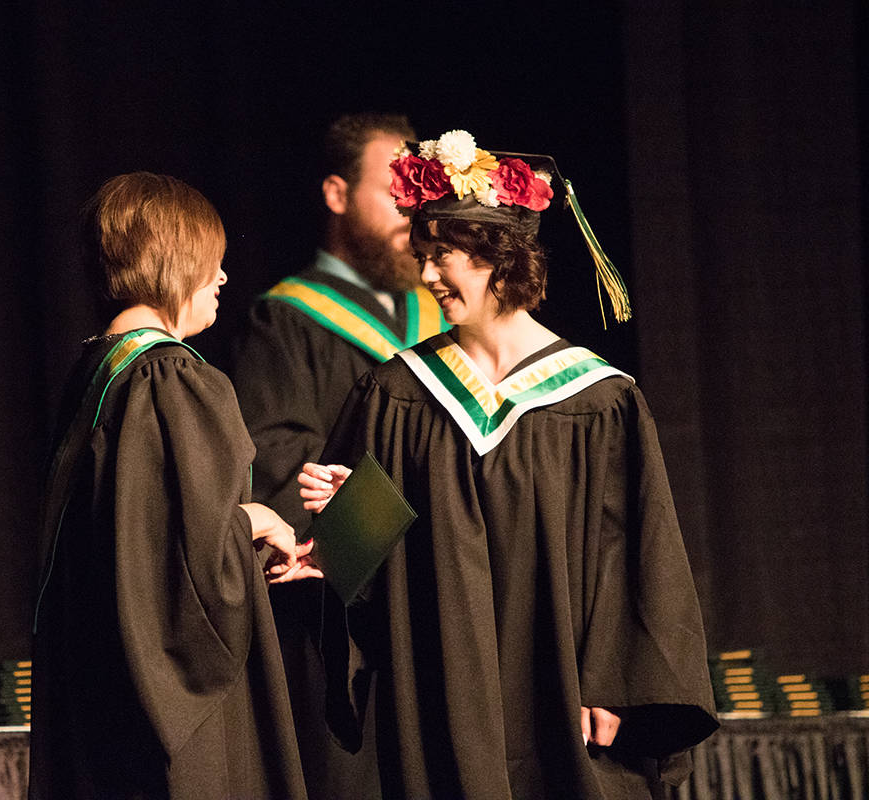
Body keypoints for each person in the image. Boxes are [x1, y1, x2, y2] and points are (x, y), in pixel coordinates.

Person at [300, 131, 718, 799]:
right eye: (422, 256)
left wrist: (612, 685)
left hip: (564, 705)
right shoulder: (397, 395)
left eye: (443, 257)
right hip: (438, 702)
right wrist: (342, 521)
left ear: (502, 257)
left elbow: (627, 555)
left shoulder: (598, 402)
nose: (428, 275)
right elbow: (362, 576)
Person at [28, 172, 311, 800]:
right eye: (213, 263)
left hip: (105, 687)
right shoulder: (172, 379)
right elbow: (179, 564)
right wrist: (255, 524)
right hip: (171, 711)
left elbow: (135, 536)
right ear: (173, 262)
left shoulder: (98, 370)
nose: (222, 279)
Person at [232, 112, 446, 798]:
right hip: (341, 611)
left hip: (440, 594)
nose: (410, 212)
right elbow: (276, 452)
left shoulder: (445, 312)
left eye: (418, 194)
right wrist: (380, 523)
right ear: (335, 194)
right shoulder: (288, 318)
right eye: (394, 191)